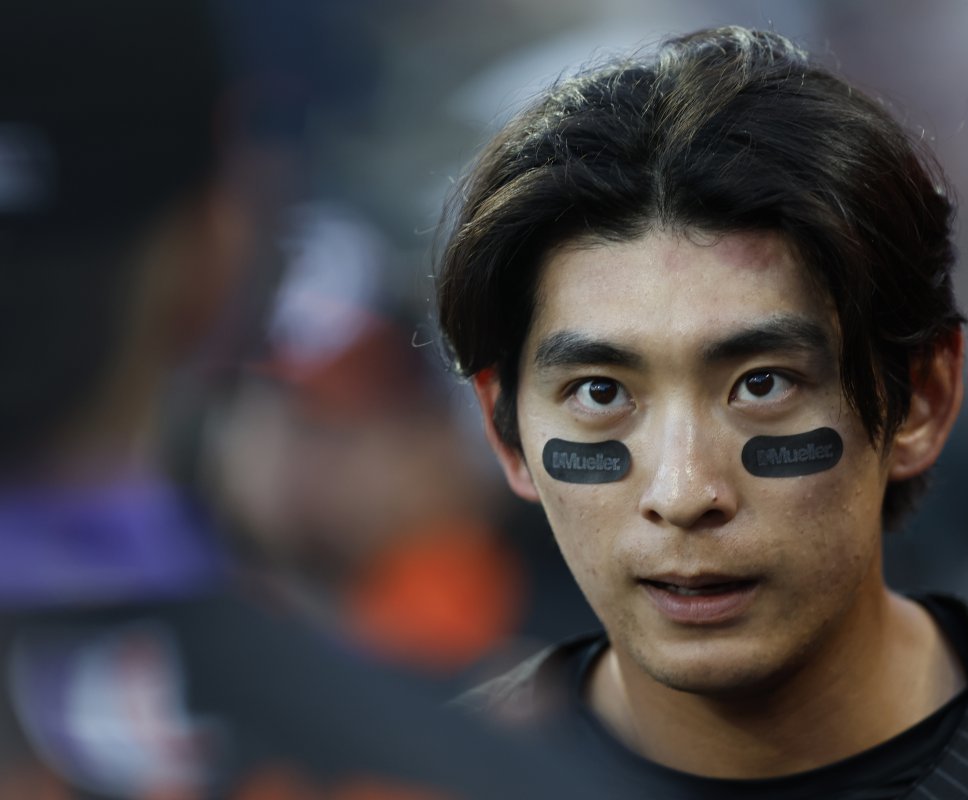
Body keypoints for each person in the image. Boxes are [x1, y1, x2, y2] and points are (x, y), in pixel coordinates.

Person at [437, 26, 968, 798]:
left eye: (762, 384)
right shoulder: (419, 780)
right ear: (508, 431)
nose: (684, 491)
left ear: (923, 399)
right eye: (600, 393)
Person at [0, 2, 605, 797]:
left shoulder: (510, 648)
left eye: (357, 413)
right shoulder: (446, 764)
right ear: (221, 239)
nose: (320, 450)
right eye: (308, 413)